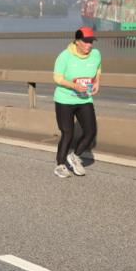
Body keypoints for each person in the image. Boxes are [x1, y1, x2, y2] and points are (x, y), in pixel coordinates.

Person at [53, 26, 102, 178]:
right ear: (77, 41)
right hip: (64, 100)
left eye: (91, 41)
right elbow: (57, 78)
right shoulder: (65, 56)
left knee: (90, 132)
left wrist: (97, 82)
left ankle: (75, 156)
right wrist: (74, 86)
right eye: (86, 42)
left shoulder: (96, 54)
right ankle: (60, 165)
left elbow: (98, 68)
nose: (89, 45)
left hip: (85, 99)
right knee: (68, 133)